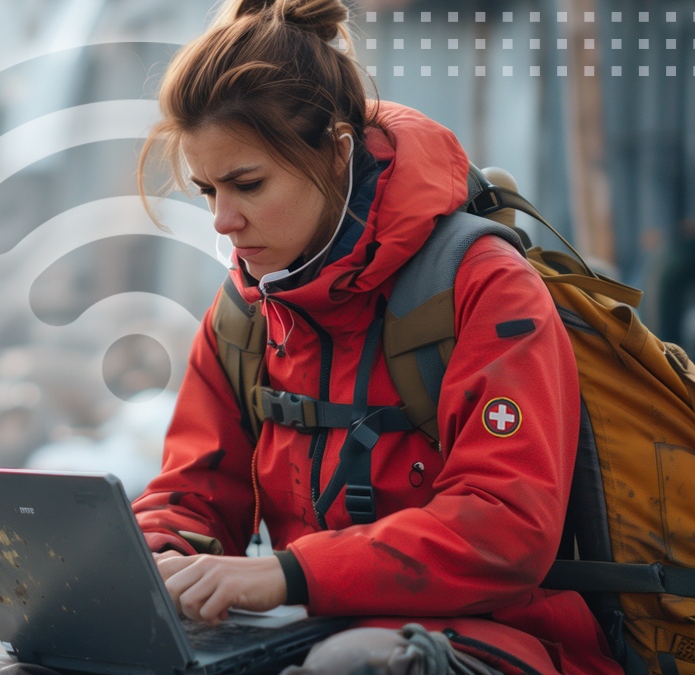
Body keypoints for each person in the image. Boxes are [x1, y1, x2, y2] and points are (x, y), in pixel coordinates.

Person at [126, 1, 624, 674]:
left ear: (334, 154)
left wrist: (289, 573)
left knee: (351, 665)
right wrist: (160, 559)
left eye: (247, 184)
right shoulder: (245, 315)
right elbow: (193, 491)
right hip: (310, 630)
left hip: (500, 639)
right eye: (208, 189)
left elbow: (507, 529)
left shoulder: (483, 287)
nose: (223, 220)